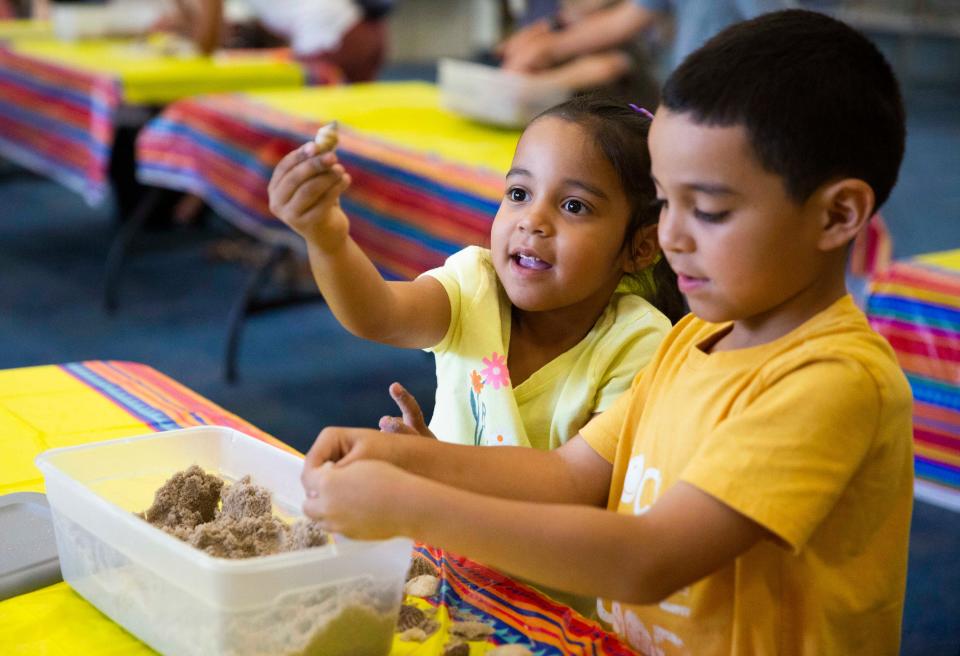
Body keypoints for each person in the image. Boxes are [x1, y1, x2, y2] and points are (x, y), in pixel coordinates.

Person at [298, 10, 913, 655]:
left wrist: (411, 504)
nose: (671, 235)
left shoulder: (831, 381)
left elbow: (648, 560)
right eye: (668, 203)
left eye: (707, 210)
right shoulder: (692, 339)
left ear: (839, 214)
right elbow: (568, 477)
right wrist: (396, 456)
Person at [268, 96, 682, 451]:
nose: (532, 220)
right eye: (519, 194)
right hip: (442, 535)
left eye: (574, 206)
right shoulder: (474, 284)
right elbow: (376, 314)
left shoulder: (638, 344)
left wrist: (441, 467)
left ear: (641, 247)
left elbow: (578, 487)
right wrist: (326, 239)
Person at [500, 0, 791, 79]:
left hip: (729, 94)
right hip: (685, 87)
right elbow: (625, 20)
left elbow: (780, 31)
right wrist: (549, 48)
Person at [162, 0, 389, 82]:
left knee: (318, 139)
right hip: (368, 31)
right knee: (352, 136)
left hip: (331, 39)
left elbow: (208, 43)